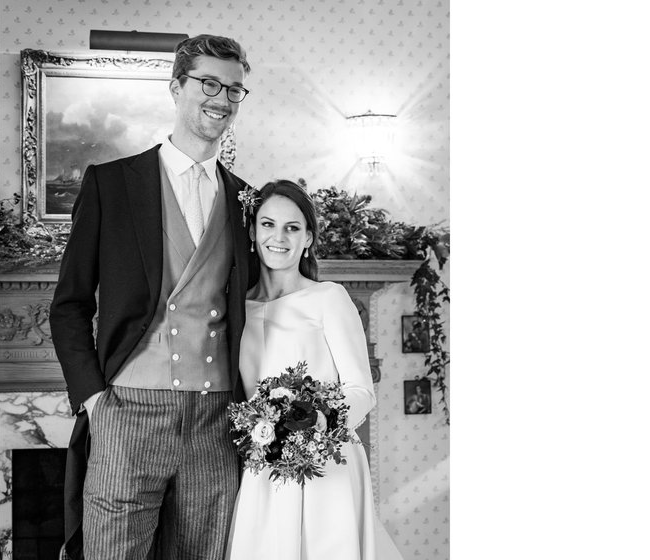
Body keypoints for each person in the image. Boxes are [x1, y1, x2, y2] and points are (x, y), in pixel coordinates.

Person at [49, 34, 255, 560]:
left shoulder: (245, 199)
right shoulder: (110, 185)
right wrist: (95, 399)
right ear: (175, 87)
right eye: (209, 83)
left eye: (234, 89)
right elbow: (69, 304)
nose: (222, 99)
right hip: (127, 410)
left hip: (216, 419)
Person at [226, 180, 404, 560]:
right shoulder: (235, 308)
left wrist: (321, 420)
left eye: (293, 228)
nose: (279, 237)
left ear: (308, 238)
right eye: (268, 224)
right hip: (265, 468)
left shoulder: (329, 298)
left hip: (326, 465)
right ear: (253, 232)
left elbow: (362, 390)